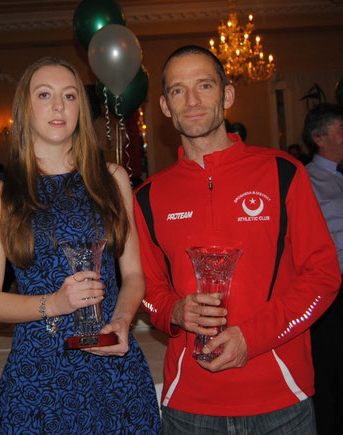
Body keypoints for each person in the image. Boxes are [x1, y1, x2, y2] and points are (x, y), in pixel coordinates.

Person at [134, 45, 341, 434]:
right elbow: (147, 287)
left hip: (280, 399)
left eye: (204, 86)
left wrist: (252, 337)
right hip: (189, 407)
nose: (192, 100)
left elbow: (323, 275)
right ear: (164, 106)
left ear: (226, 95)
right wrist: (173, 311)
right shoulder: (147, 196)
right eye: (178, 91)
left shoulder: (282, 173)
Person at [0, 57, 161, 433]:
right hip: (39, 370)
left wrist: (122, 322)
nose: (59, 106)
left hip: (110, 362)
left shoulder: (113, 179)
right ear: (26, 108)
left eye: (69, 95)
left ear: (81, 108)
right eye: (45, 95)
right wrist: (55, 303)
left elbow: (134, 274)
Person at [303, 103, 343, 434]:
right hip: (332, 293)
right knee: (330, 374)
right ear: (319, 138)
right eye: (341, 130)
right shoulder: (305, 179)